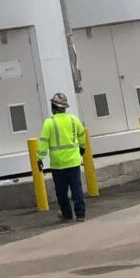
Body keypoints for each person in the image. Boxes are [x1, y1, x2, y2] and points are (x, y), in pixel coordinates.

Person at [40, 93, 89, 222]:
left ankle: (67, 214)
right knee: (76, 188)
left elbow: (43, 142)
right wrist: (82, 148)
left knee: (61, 192)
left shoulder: (49, 123)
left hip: (58, 164)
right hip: (73, 162)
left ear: (53, 107)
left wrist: (39, 158)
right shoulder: (73, 119)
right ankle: (80, 215)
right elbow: (82, 134)